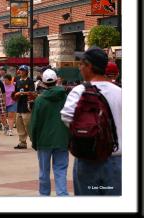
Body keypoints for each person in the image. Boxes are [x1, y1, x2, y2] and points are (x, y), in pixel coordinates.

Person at [61, 47, 121, 196]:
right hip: (117, 160)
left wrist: (84, 131)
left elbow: (66, 117)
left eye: (82, 64)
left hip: (87, 158)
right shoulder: (120, 92)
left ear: (89, 66)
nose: (80, 68)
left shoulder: (79, 90)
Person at [28, 69, 70, 196]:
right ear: (57, 80)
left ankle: (44, 194)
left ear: (43, 83)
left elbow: (34, 123)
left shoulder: (40, 100)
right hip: (62, 139)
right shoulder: (66, 98)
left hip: (44, 140)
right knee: (61, 169)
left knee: (44, 171)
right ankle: (62, 194)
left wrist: (34, 140)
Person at [13, 65, 35, 149]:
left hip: (27, 106)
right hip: (19, 105)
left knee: (28, 125)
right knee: (19, 124)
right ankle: (22, 142)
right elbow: (15, 92)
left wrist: (22, 93)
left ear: (26, 71)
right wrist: (15, 95)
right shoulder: (17, 80)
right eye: (20, 70)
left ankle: (34, 141)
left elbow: (32, 92)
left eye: (23, 70)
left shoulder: (30, 81)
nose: (21, 71)